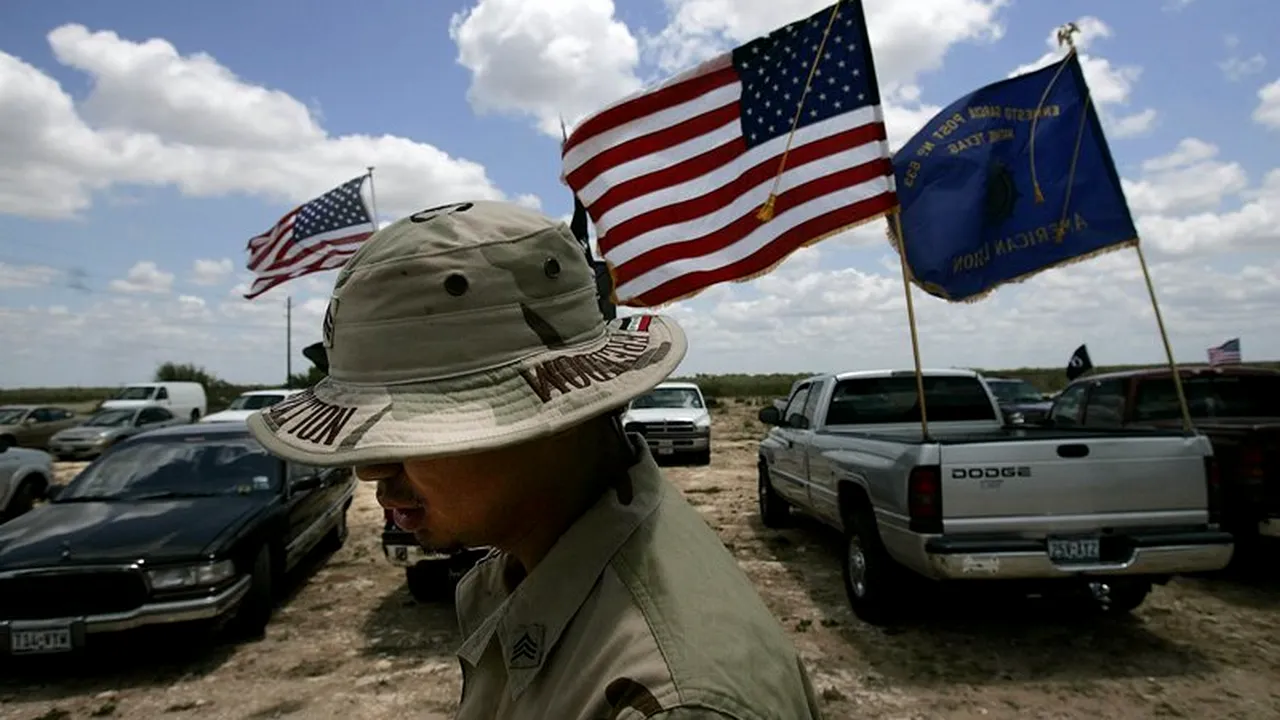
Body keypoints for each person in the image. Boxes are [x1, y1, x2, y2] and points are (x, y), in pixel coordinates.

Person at [247, 200, 824, 719]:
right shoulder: (552, 556)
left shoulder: (671, 696)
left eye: (413, 433)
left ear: (557, 415)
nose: (372, 472)